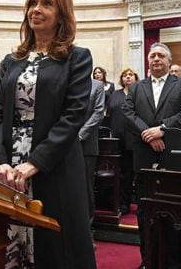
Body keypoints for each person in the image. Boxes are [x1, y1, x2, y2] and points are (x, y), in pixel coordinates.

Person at [0, 0, 96, 269]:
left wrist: (35, 162)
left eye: (46, 4)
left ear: (62, 15)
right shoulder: (12, 61)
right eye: (33, 3)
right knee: (10, 239)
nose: (36, 9)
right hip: (9, 168)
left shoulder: (77, 57)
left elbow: (74, 115)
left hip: (54, 163)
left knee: (56, 248)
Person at [123, 42, 181, 269]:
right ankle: (149, 260)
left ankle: (178, 263)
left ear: (168, 60)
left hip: (174, 155)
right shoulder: (136, 87)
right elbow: (127, 112)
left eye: (160, 56)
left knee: (178, 211)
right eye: (152, 56)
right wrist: (148, 134)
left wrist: (163, 129)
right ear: (148, 61)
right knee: (145, 211)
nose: (156, 59)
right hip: (144, 155)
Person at [107, 67, 139, 215]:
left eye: (131, 75)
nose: (128, 77)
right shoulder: (115, 94)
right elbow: (110, 114)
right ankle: (124, 203)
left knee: (136, 173)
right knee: (123, 173)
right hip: (118, 140)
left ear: (136, 78)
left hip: (137, 140)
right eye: (125, 75)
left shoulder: (140, 93)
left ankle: (140, 202)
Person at [79, 79, 105, 245]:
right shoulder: (67, 82)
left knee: (86, 188)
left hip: (85, 144)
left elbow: (99, 113)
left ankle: (87, 232)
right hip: (62, 144)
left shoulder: (97, 86)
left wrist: (79, 134)